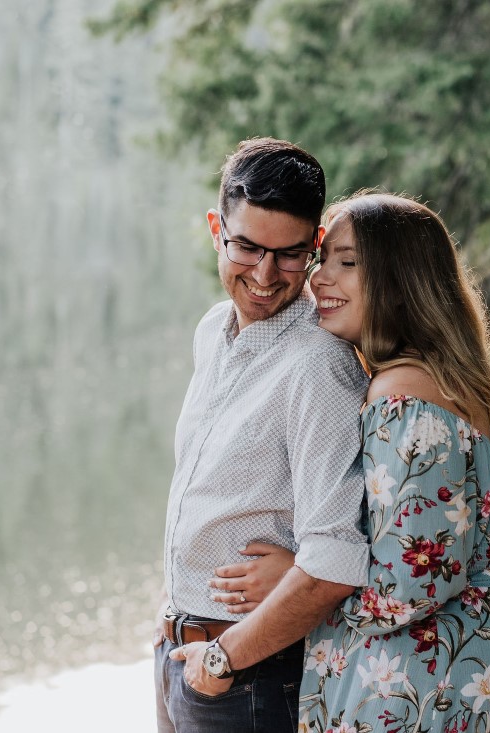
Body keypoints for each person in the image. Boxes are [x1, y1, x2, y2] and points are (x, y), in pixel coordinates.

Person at [210, 192, 490, 732]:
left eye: (347, 263)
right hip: (477, 668)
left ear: (401, 280)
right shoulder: (446, 383)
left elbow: (408, 588)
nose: (320, 279)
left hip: (427, 689)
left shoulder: (401, 400)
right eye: (324, 260)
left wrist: (297, 579)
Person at [154, 138, 372, 733]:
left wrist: (222, 659)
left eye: (291, 254)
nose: (266, 275)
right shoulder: (211, 330)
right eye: (247, 246)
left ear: (317, 245)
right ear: (214, 228)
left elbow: (334, 561)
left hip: (250, 674)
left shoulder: (317, 364)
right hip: (181, 651)